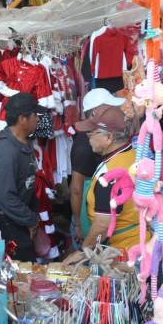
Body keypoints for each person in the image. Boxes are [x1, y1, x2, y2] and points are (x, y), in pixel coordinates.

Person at [0, 93, 45, 262]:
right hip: (6, 220)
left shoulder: (25, 141)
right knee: (21, 270)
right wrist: (31, 220)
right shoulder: (7, 152)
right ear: (22, 119)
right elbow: (5, 197)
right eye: (35, 116)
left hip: (17, 217)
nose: (38, 120)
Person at [73, 105, 141, 250]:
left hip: (119, 251)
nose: (88, 139)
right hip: (139, 242)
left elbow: (102, 225)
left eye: (91, 134)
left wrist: (84, 252)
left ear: (109, 137)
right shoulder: (133, 155)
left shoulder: (109, 174)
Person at [70, 88, 123, 246]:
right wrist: (78, 224)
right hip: (87, 213)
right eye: (109, 107)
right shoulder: (84, 146)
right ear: (96, 112)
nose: (114, 111)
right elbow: (76, 189)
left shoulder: (108, 134)